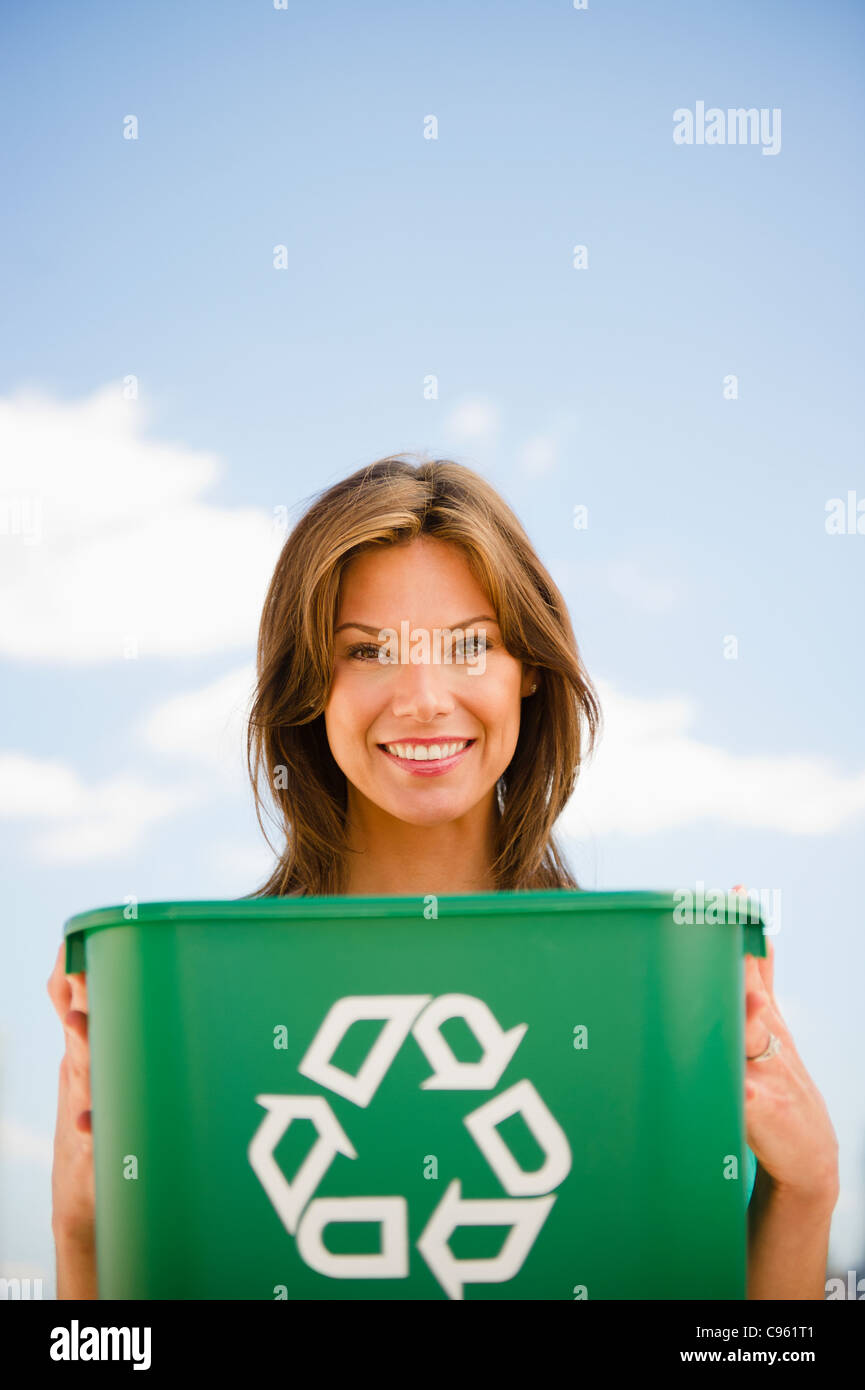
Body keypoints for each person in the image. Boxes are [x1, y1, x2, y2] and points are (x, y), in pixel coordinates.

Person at [48, 453, 839, 1299]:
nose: (423, 697)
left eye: (468, 645)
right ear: (311, 684)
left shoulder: (639, 992)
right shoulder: (197, 1003)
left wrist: (804, 1191)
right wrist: (83, 1228)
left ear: (527, 667)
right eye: (369, 651)